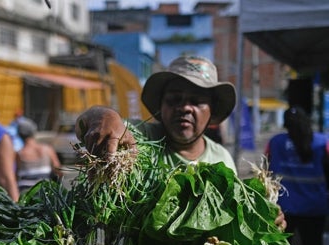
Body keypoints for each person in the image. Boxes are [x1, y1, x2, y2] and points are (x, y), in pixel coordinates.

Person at [75, 55, 287, 230]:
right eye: (175, 99)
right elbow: (88, 126)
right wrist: (103, 115)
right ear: (161, 106)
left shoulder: (221, 159)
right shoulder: (139, 139)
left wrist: (262, 220)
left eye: (196, 101)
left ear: (212, 111)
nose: (185, 108)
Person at [265, 106, 329, 245]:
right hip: (315, 208)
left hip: (284, 208)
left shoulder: (276, 142)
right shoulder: (323, 142)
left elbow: (265, 170)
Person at [15, 117, 63, 193]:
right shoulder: (47, 149)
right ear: (34, 132)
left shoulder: (19, 154)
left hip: (25, 194)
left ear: (20, 135)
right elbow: (58, 170)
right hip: (45, 192)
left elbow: (16, 176)